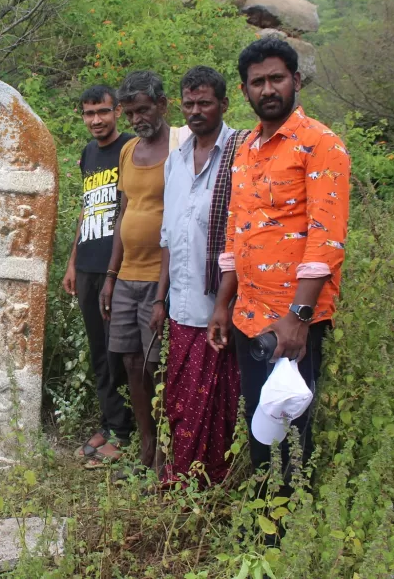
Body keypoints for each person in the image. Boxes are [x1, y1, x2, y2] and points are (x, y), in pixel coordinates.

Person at [208, 38, 350, 485]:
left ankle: (283, 533)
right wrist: (222, 307)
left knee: (291, 429)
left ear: (296, 81)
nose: (268, 89)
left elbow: (326, 241)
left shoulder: (320, 144)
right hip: (250, 317)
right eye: (258, 82)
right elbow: (235, 232)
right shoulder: (246, 147)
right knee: (261, 421)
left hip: (293, 323)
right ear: (245, 90)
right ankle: (264, 513)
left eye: (277, 78)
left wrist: (299, 318)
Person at [152, 66, 246, 485]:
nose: (195, 111)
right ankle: (181, 478)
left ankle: (214, 482)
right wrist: (160, 299)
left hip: (222, 307)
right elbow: (169, 238)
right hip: (181, 306)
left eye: (204, 102)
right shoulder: (174, 162)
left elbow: (243, 239)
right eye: (189, 103)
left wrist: (224, 306)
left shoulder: (244, 154)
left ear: (224, 105)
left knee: (219, 401)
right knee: (181, 399)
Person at [61, 85, 135, 468]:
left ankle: (126, 433)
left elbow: (128, 208)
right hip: (88, 265)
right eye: (88, 113)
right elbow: (87, 209)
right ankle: (110, 423)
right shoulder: (89, 153)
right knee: (98, 351)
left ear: (117, 111)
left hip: (117, 268)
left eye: (103, 112)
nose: (96, 120)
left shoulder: (131, 149)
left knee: (119, 351)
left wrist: (114, 271)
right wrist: (73, 262)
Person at [99, 70, 170, 470]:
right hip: (127, 275)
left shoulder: (178, 148)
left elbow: (178, 219)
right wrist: (111, 276)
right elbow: (124, 213)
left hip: (160, 277)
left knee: (155, 363)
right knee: (128, 361)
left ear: (162, 105)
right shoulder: (128, 151)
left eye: (142, 110)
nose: (136, 120)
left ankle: (163, 446)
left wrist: (162, 293)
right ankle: (145, 443)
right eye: (129, 114)